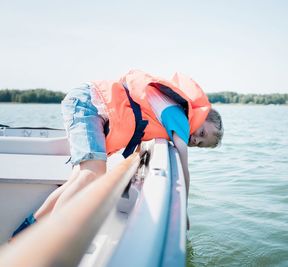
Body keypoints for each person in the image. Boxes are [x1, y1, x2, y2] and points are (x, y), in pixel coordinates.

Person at [11, 69, 223, 237]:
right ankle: (50, 242)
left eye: (201, 144)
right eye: (202, 132)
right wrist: (182, 211)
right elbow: (184, 166)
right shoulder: (179, 115)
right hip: (90, 103)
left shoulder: (170, 113)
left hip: (87, 102)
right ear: (200, 114)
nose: (196, 139)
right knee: (91, 175)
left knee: (79, 178)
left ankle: (25, 233)